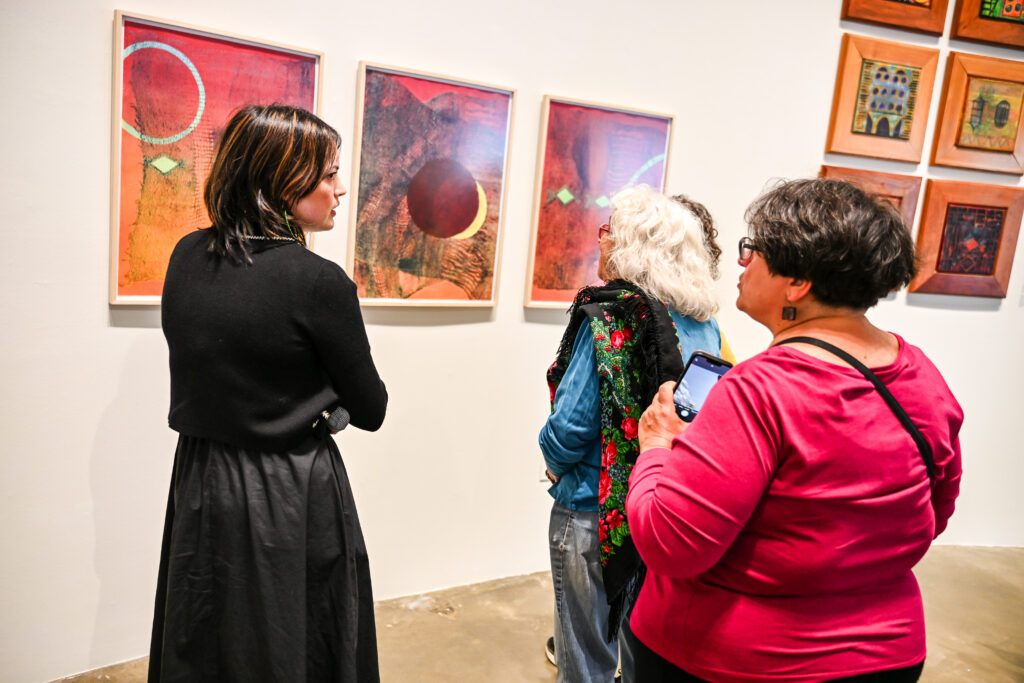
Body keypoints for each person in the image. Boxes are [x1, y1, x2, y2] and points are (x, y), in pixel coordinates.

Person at [626, 178, 964, 682]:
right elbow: (932, 514)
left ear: (797, 283)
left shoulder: (760, 390)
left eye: (753, 249)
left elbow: (670, 543)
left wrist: (655, 446)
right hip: (887, 653)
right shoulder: (922, 376)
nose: (742, 262)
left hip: (738, 661)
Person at [149, 104, 388, 682]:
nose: (340, 189)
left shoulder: (186, 255)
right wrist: (327, 404)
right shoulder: (316, 281)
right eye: (328, 174)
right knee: (293, 640)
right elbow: (373, 408)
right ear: (283, 180)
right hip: (290, 489)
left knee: (207, 636)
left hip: (202, 481)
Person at [540, 186, 724, 682]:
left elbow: (569, 428)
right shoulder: (703, 324)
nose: (600, 241)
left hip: (591, 510)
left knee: (584, 655)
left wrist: (550, 461)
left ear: (630, 246)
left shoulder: (609, 315)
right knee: (639, 647)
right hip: (661, 505)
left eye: (608, 231)